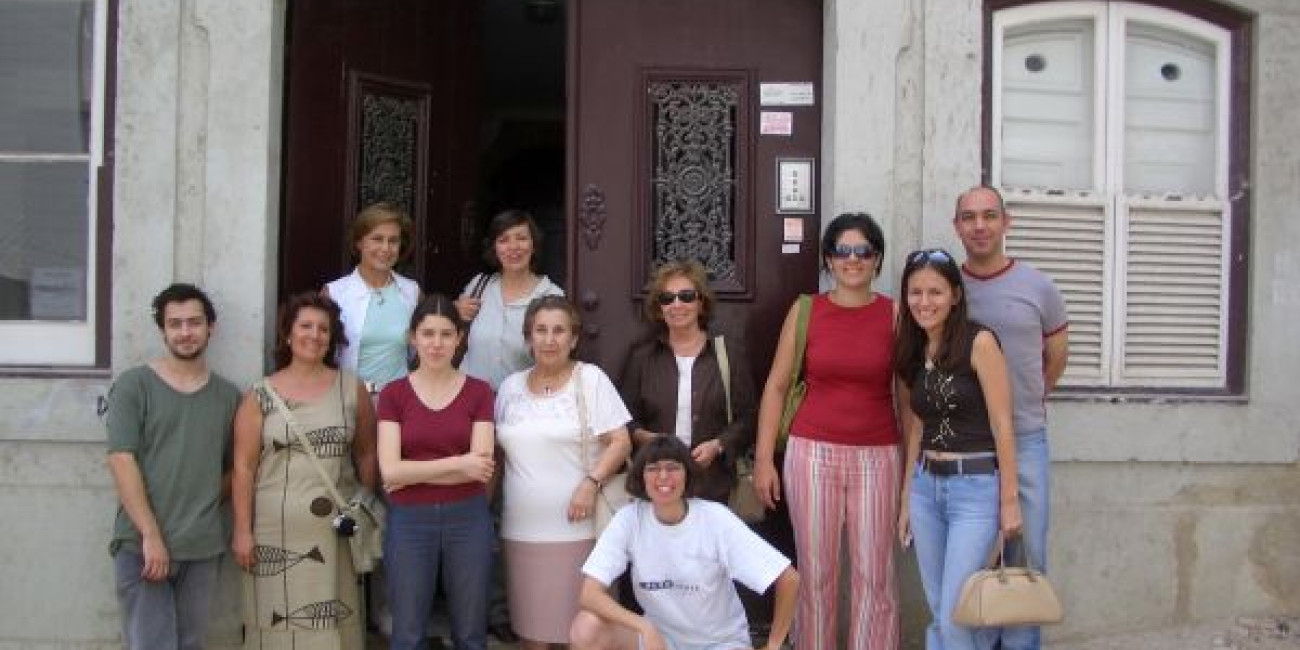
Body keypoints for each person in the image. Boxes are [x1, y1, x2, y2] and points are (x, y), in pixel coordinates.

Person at [752, 213, 901, 650]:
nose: (852, 260)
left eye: (863, 252)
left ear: (877, 259)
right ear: (828, 259)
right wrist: (764, 460)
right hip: (811, 452)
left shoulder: (894, 315)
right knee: (816, 573)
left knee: (875, 574)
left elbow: (908, 401)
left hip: (878, 455)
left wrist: (912, 473)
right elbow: (777, 386)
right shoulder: (806, 310)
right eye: (841, 251)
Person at [953, 186, 1068, 650]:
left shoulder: (1038, 286)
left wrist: (1024, 401)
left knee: (1027, 558)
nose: (979, 226)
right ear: (956, 226)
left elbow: (1056, 356)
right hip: (968, 447)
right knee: (976, 565)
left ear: (1006, 222)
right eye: (968, 217)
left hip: (1024, 440)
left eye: (988, 216)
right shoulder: (947, 286)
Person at [231, 292, 379, 650]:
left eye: (323, 329)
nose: (314, 335)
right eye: (305, 326)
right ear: (287, 334)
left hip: (334, 534)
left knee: (332, 623)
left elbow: (366, 454)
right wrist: (242, 531)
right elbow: (243, 467)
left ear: (332, 338)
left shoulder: (350, 388)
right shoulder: (260, 395)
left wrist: (363, 505)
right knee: (275, 623)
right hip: (272, 533)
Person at [893, 248, 1023, 650]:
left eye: (935, 292)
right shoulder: (914, 349)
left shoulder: (978, 341)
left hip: (975, 488)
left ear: (954, 295)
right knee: (942, 610)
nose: (924, 302)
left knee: (957, 611)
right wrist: (905, 500)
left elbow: (1004, 424)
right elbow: (917, 426)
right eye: (916, 292)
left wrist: (1010, 501)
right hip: (926, 488)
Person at [105, 283, 241, 650]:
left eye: (194, 323)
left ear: (210, 327)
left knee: (190, 643)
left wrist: (201, 503)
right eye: (175, 324)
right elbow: (121, 459)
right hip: (143, 546)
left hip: (201, 546)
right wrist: (150, 535)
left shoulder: (228, 396)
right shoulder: (135, 386)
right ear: (162, 329)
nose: (185, 333)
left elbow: (238, 468)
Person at [568, 436, 800, 650]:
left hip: (719, 643)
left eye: (673, 468)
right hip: (659, 640)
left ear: (688, 474)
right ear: (641, 477)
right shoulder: (629, 518)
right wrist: (643, 626)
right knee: (586, 628)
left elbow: (788, 578)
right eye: (653, 469)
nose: (663, 477)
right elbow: (589, 594)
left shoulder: (715, 518)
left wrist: (773, 646)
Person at [495, 295, 633, 650]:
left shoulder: (590, 379)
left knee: (584, 630)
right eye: (540, 330)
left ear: (573, 339)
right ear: (528, 338)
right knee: (531, 630)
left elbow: (620, 442)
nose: (549, 339)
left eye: (559, 331)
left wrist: (590, 483)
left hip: (581, 529)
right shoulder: (509, 388)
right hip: (521, 530)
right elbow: (497, 455)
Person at [376, 294, 496, 650]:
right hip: (409, 520)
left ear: (460, 338)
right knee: (408, 633)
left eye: (446, 334)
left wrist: (416, 471)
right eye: (427, 334)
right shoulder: (394, 394)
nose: (436, 343)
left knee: (471, 633)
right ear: (412, 337)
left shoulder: (479, 391)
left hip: (468, 517)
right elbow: (391, 472)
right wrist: (459, 463)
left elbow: (482, 467)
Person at [620, 259, 756, 503]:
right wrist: (643, 437)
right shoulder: (643, 357)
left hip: (713, 484)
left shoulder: (728, 354)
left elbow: (749, 417)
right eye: (667, 298)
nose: (677, 304)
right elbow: (624, 417)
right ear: (659, 307)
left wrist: (719, 445)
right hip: (656, 484)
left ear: (701, 302)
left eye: (686, 296)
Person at [456, 209, 564, 390]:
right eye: (503, 240)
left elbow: (558, 359)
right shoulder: (479, 286)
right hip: (470, 402)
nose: (513, 246)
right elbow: (447, 331)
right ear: (494, 248)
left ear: (534, 244)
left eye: (521, 238)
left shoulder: (551, 296)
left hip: (522, 404)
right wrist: (455, 312)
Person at [322, 201, 421, 395]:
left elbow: (422, 351)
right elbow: (320, 356)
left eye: (393, 241)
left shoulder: (412, 291)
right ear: (359, 242)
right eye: (377, 239)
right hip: (351, 401)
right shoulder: (334, 293)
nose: (385, 248)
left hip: (400, 401)